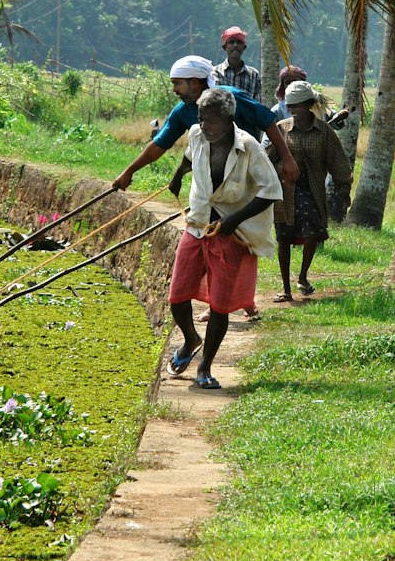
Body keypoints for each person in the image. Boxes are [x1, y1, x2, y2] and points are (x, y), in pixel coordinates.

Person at [165, 88, 282, 389]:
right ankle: (191, 339)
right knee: (177, 295)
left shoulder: (248, 147)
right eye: (202, 120)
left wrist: (233, 220)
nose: (206, 127)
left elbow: (271, 190)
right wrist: (178, 175)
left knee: (220, 305)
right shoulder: (196, 134)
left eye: (212, 122)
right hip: (198, 223)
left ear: (229, 120)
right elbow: (190, 157)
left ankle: (205, 367)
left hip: (232, 232)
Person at [111, 56, 299, 191]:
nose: (174, 90)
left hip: (243, 172)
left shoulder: (231, 97)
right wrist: (129, 172)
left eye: (177, 83)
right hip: (210, 177)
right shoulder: (183, 111)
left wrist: (288, 159)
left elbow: (268, 122)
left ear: (194, 82)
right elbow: (158, 146)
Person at [267, 79, 353, 302]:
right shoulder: (281, 129)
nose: (291, 110)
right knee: (283, 237)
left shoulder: (324, 132)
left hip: (312, 190)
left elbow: (339, 163)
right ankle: (285, 288)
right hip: (285, 191)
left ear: (307, 105)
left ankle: (303, 276)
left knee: (312, 231)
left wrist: (344, 189)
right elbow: (268, 158)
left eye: (296, 106)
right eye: (290, 105)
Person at [212, 26, 261, 100]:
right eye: (231, 42)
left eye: (239, 42)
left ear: (244, 47)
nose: (235, 45)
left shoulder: (253, 75)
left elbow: (257, 103)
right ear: (224, 47)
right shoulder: (215, 72)